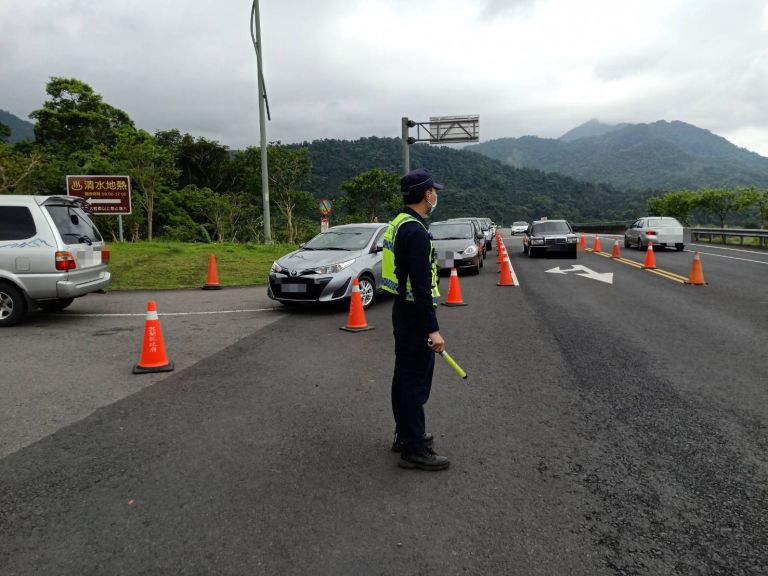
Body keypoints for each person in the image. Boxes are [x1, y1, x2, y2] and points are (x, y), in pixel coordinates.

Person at [381, 167, 450, 471]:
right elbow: (421, 287)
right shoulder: (416, 232)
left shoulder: (399, 223)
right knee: (415, 384)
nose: (436, 194)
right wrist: (433, 330)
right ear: (426, 194)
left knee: (403, 377)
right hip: (414, 313)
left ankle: (405, 435)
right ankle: (415, 448)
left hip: (402, 310)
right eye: (434, 190)